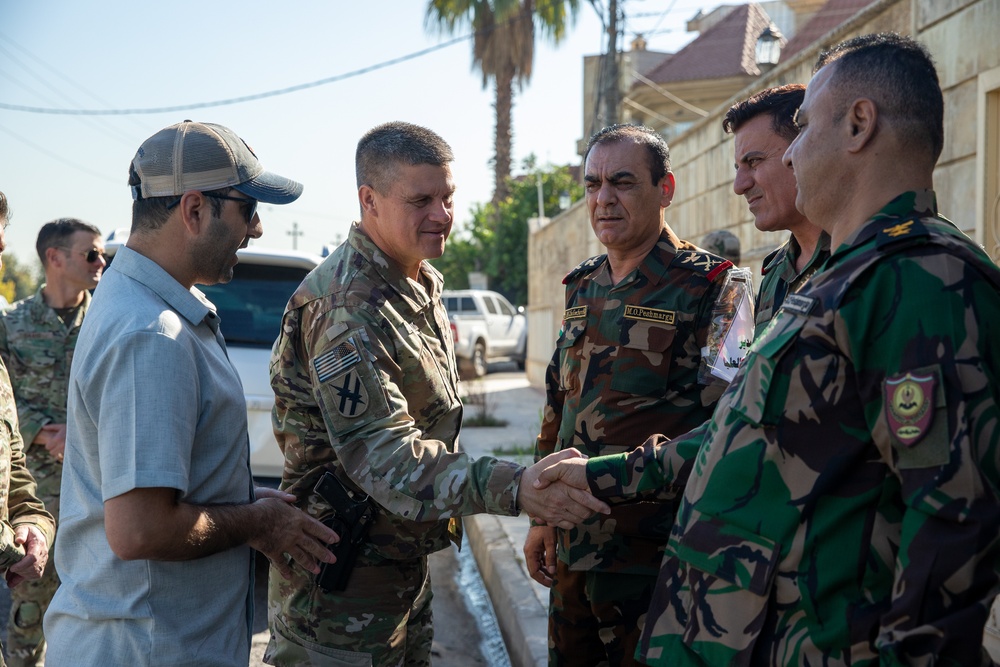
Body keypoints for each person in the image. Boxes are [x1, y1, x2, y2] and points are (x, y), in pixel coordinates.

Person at [538, 33, 1000, 665]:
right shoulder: (845, 277)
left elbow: (952, 520)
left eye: (803, 128)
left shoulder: (925, 279)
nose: (790, 157)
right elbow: (743, 433)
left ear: (859, 124)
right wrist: (599, 473)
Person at [265, 120, 609, 667]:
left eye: (447, 197)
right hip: (339, 597)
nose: (443, 215)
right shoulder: (347, 308)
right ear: (369, 200)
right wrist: (516, 486)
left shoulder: (414, 281)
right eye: (421, 199)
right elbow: (386, 455)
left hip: (400, 572)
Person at [43, 121, 339, 667]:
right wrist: (257, 522)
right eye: (248, 209)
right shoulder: (151, 333)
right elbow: (139, 529)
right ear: (195, 209)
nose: (256, 228)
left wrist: (245, 502)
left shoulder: (148, 306)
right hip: (146, 648)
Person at [525, 124, 736, 667]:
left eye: (621, 182)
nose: (603, 199)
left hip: (656, 560)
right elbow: (557, 405)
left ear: (665, 189)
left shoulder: (714, 287)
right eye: (593, 184)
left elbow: (729, 427)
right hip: (573, 553)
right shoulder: (582, 285)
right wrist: (541, 515)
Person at [0, 218, 104, 666]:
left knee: (94, 605)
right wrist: (42, 428)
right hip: (33, 488)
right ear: (54, 258)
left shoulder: (108, 320)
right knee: (29, 607)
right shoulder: (11, 322)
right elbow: (7, 399)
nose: (101, 263)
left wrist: (80, 433)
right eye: (91, 254)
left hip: (97, 486)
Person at [0, 192, 58, 666]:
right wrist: (9, 548)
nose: (3, 247)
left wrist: (32, 525)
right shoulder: (12, 323)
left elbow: (11, 465)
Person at [724, 84, 830, 329]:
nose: (739, 186)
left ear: (802, 151)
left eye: (754, 161)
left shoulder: (869, 252)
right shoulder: (776, 271)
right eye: (738, 168)